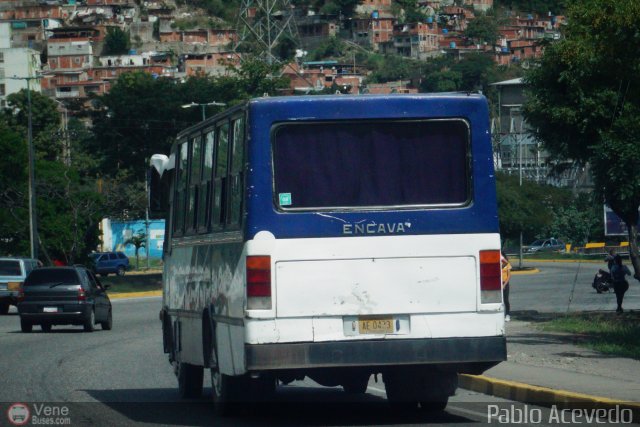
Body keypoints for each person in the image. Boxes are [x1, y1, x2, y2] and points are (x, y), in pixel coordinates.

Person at [501, 252, 512, 321]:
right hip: (498, 283)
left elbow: (509, 275)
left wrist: (504, 285)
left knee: (506, 300)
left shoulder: (507, 264)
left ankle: (507, 314)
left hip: (505, 283)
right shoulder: (497, 264)